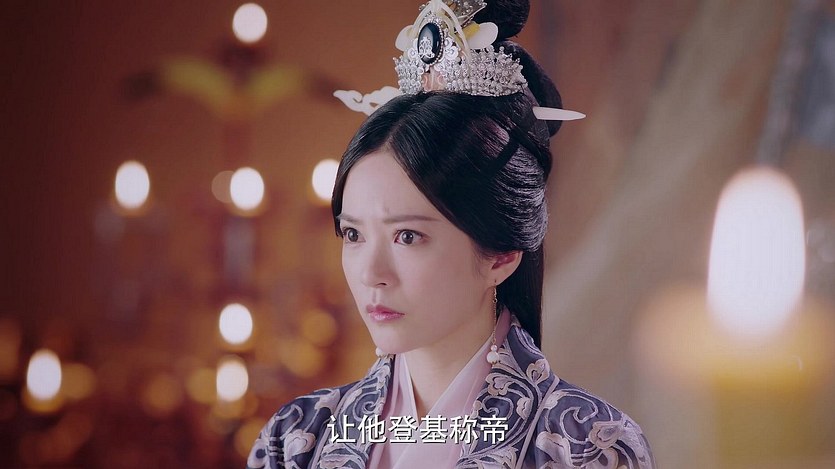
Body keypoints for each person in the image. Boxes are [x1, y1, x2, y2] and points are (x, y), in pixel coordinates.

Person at [247, 1, 654, 467]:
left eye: (407, 237)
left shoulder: (586, 447)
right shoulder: (295, 439)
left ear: (501, 254)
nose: (371, 274)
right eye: (353, 234)